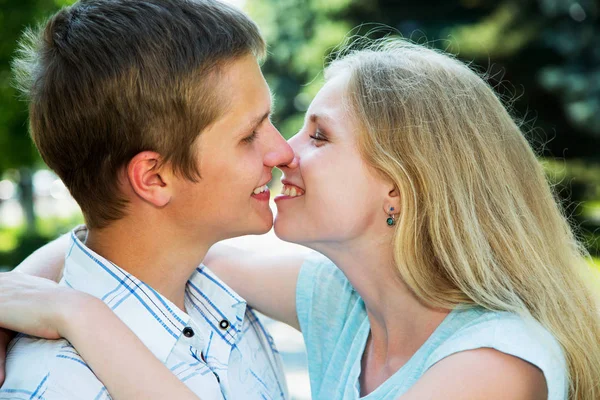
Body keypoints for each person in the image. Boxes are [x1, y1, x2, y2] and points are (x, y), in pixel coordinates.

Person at [2, 37, 600, 400]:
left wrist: (79, 315)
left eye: (319, 135)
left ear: (399, 184)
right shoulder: (345, 307)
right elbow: (150, 243)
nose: (284, 150)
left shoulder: (494, 365)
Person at [0, 0, 296, 399]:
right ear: (154, 178)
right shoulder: (62, 386)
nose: (282, 152)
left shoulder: (225, 306)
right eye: (248, 136)